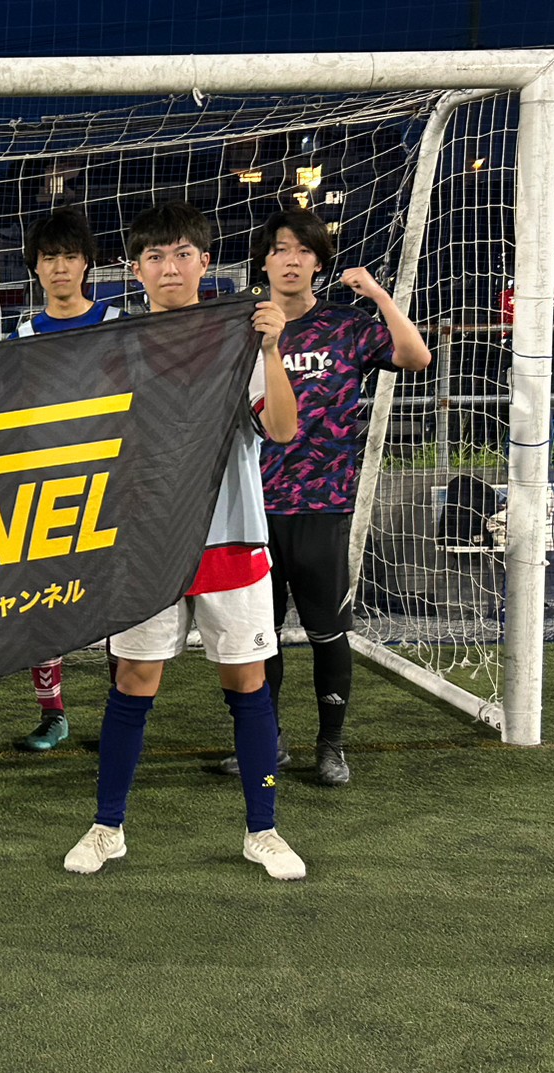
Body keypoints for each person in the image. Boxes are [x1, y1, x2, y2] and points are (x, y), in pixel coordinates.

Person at [63, 200, 307, 881]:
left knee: (247, 681)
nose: (168, 267)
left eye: (180, 254)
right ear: (134, 269)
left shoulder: (241, 337)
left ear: (205, 261)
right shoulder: (116, 346)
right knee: (133, 680)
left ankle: (263, 830)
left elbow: (283, 430)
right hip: (146, 543)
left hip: (232, 537)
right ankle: (107, 826)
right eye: (154, 256)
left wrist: (270, 349)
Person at [217, 208, 431, 786]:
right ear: (263, 261)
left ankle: (330, 746)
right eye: (280, 249)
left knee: (327, 631)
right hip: (251, 506)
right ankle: (268, 743)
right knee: (258, 634)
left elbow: (416, 358)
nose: (291, 260)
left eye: (304, 250)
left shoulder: (346, 324)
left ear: (318, 262)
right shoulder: (240, 327)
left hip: (322, 505)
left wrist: (377, 295)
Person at [8, 207, 121, 751]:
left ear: (86, 264)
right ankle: (53, 715)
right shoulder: (24, 334)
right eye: (49, 257)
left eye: (69, 257)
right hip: (45, 489)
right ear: (35, 266)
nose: (59, 267)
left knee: (119, 605)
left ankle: (121, 713)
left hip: (110, 487)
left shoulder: (117, 324)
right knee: (43, 604)